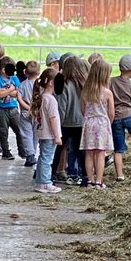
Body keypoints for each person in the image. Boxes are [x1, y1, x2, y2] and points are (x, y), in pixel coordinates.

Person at [80, 57, 115, 190]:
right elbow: (111, 113)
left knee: (89, 153)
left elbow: (83, 109)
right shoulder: (107, 93)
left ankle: (90, 181)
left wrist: (89, 118)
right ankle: (99, 182)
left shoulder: (85, 91)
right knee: (100, 153)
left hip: (89, 122)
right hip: (102, 123)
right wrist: (108, 123)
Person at [57, 55, 89, 185]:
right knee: (80, 150)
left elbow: (62, 106)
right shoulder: (84, 84)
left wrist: (58, 123)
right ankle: (85, 175)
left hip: (66, 123)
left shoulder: (65, 85)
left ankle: (61, 173)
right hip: (81, 122)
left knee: (61, 149)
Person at [31, 69, 63, 194]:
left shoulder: (42, 98)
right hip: (50, 134)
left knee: (42, 158)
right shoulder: (51, 100)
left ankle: (40, 181)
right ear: (50, 83)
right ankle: (45, 182)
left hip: (42, 132)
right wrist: (57, 136)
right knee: (47, 159)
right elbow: (53, 119)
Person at [0, 56, 28, 161]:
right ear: (4, 69)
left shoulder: (15, 78)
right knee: (3, 132)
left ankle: (22, 150)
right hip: (2, 110)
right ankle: (5, 152)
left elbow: (19, 92)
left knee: (19, 130)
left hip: (13, 109)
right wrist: (11, 89)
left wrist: (6, 91)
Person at [15, 59, 40, 167]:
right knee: (35, 135)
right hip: (37, 113)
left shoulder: (22, 85)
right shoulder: (40, 85)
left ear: (25, 72)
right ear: (39, 73)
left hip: (26, 112)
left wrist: (28, 108)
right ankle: (33, 153)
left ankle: (30, 155)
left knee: (26, 135)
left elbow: (19, 98)